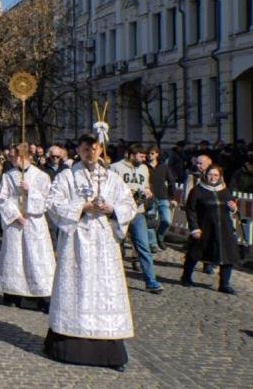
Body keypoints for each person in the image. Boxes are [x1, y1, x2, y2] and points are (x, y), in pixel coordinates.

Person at [44, 134, 137, 371]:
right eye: (86, 149)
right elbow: (52, 203)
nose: (91, 153)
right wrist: (82, 207)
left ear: (100, 150)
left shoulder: (112, 178)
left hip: (104, 244)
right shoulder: (67, 176)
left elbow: (129, 204)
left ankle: (110, 352)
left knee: (105, 291)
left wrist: (112, 209)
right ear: (78, 150)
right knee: (77, 287)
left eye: (95, 149)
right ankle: (69, 344)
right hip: (77, 241)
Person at [0, 143, 54, 312]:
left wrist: (30, 191)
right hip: (15, 222)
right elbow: (2, 198)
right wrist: (16, 215)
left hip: (34, 222)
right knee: (15, 257)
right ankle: (12, 294)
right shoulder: (8, 176)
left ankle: (40, 295)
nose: (10, 159)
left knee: (36, 257)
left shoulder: (41, 176)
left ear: (22, 156)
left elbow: (48, 201)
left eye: (12, 156)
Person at [110, 144, 163, 294]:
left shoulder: (144, 169)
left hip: (137, 212)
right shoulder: (115, 168)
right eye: (141, 156)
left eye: (145, 156)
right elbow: (110, 189)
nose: (144, 159)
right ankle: (112, 280)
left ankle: (151, 281)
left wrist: (147, 192)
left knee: (143, 246)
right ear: (131, 155)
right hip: (119, 213)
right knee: (115, 247)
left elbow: (146, 186)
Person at [181, 165, 240, 294]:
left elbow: (231, 207)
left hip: (225, 228)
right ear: (205, 175)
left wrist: (234, 208)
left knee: (228, 255)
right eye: (210, 175)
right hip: (205, 227)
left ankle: (224, 284)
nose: (213, 177)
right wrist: (194, 228)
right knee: (195, 253)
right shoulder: (197, 190)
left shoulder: (224, 190)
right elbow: (191, 210)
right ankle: (186, 277)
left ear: (220, 176)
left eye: (216, 175)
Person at [146, 145, 175, 251]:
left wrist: (172, 197)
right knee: (150, 222)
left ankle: (160, 236)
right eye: (148, 153)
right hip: (150, 198)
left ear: (157, 154)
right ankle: (152, 244)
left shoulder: (163, 166)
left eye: (152, 153)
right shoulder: (144, 166)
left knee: (167, 220)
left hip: (163, 197)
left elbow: (171, 181)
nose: (149, 155)